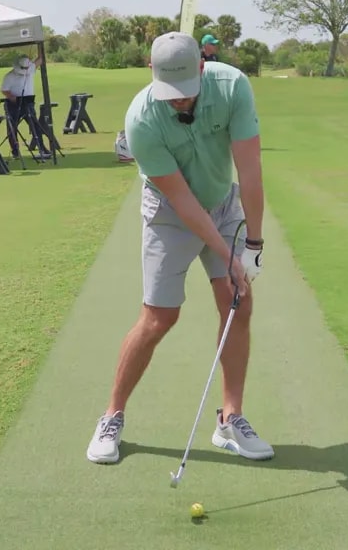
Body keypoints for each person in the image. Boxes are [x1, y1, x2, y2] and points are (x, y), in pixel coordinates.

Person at [86, 31, 271, 465]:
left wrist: (253, 245)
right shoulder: (142, 121)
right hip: (170, 212)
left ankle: (230, 420)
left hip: (222, 202)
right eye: (170, 94)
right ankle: (111, 416)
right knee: (159, 317)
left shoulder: (232, 87)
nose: (178, 102)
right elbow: (184, 202)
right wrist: (227, 257)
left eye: (185, 93)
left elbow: (250, 170)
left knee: (237, 305)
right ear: (151, 73)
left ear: (202, 69)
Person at [0, 54, 49, 159]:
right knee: (12, 128)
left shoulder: (30, 69)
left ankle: (42, 148)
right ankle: (15, 151)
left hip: (28, 103)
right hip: (13, 104)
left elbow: (39, 60)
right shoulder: (9, 76)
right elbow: (4, 90)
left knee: (35, 126)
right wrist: (13, 98)